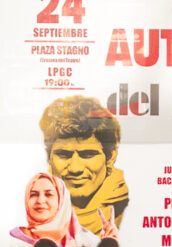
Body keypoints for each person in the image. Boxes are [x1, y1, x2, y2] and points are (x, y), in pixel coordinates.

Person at [39, 95, 128, 236]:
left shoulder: (127, 210)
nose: (75, 168)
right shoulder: (37, 211)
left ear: (110, 157)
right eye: (64, 155)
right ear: (49, 158)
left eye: (88, 154)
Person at [10, 172, 100, 247]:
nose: (40, 200)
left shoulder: (87, 242)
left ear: (62, 201)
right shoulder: (12, 242)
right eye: (33, 194)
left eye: (49, 194)